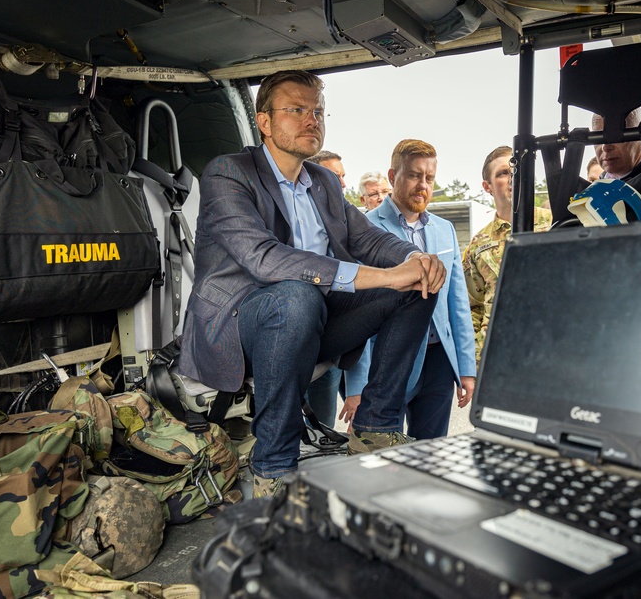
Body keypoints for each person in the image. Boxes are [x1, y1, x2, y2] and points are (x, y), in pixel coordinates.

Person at [179, 70, 446, 499]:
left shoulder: (321, 182)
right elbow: (263, 258)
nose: (312, 120)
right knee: (296, 294)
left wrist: (412, 260)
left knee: (417, 284)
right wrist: (379, 276)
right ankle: (273, 466)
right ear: (264, 122)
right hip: (239, 325)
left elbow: (368, 238)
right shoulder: (228, 174)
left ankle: (375, 427)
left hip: (312, 318)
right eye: (297, 110)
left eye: (318, 111)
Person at [342, 139, 476, 439]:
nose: (423, 185)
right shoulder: (364, 229)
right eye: (415, 175)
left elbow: (458, 303)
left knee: (433, 455)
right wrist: (357, 385)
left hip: (439, 361)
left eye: (429, 178)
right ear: (393, 177)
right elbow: (354, 313)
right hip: (386, 361)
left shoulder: (445, 229)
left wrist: (466, 369)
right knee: (384, 453)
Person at [462, 146, 552, 365]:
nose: (513, 178)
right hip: (497, 358)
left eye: (517, 171)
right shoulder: (478, 245)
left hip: (551, 350)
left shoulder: (556, 224)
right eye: (503, 173)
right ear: (487, 186)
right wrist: (475, 356)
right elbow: (471, 307)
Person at [303, 152, 352, 425]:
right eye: (336, 177)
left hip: (327, 351)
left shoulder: (344, 223)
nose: (343, 184)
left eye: (344, 176)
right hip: (289, 343)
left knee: (322, 428)